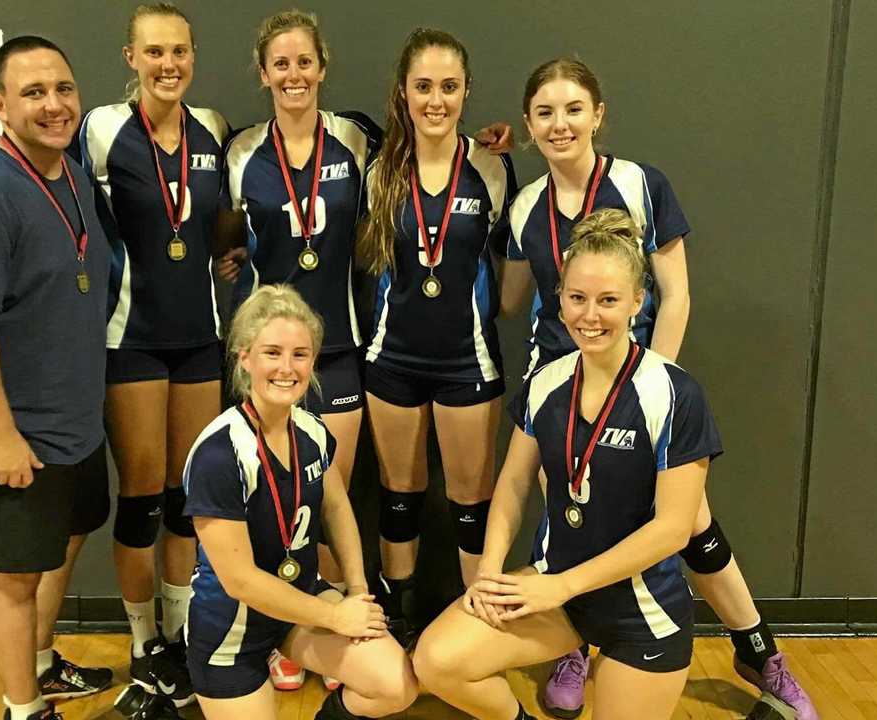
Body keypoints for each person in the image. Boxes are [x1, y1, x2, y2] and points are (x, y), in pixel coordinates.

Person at [499, 57, 817, 719]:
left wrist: (653, 387)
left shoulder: (640, 185)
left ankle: (759, 652)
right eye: (546, 112)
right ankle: (575, 647)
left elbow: (676, 296)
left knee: (691, 527)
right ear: (528, 126)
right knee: (567, 517)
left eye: (573, 108)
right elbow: (510, 302)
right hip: (558, 393)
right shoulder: (526, 205)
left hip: (635, 387)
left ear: (598, 114)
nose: (561, 124)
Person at [219, 11, 511, 686]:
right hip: (270, 352)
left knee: (331, 496)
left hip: (345, 347)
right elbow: (225, 238)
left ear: (324, 68)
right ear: (264, 73)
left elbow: (506, 268)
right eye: (281, 64)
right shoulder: (240, 151)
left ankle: (355, 627)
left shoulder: (364, 145)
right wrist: (230, 261)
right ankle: (288, 630)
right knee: (269, 499)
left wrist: (501, 134)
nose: (294, 75)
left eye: (305, 63)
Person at [414, 208, 719, 720]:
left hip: (638, 608)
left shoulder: (673, 392)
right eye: (577, 298)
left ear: (637, 302)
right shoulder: (548, 382)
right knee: (436, 660)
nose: (589, 315)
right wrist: (488, 572)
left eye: (608, 300)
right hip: (558, 592)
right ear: (559, 298)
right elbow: (512, 484)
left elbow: (672, 528)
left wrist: (560, 584)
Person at [0, 35, 113, 720]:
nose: (54, 104)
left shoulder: (71, 175)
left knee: (59, 548)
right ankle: (23, 708)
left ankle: (39, 663)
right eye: (34, 93)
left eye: (63, 89)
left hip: (72, 422)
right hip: (11, 435)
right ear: (0, 104)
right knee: (11, 577)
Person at [72, 3, 228, 708]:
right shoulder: (101, 129)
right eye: (154, 52)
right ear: (130, 58)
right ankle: (142, 645)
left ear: (194, 56)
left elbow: (223, 218)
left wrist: (233, 253)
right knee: (140, 498)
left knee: (185, 501)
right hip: (129, 339)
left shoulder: (214, 130)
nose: (169, 64)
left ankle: (178, 633)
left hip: (200, 337)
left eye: (180, 51)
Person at [181, 284, 419, 720]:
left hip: (300, 599)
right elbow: (241, 582)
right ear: (244, 358)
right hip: (233, 627)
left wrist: (358, 592)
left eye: (300, 354)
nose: (287, 368)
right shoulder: (219, 453)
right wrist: (335, 619)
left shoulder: (310, 430)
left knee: (395, 683)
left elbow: (336, 507)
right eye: (272, 353)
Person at [356, 28, 516, 648]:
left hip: (467, 363)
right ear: (403, 92)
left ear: (467, 91)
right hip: (390, 358)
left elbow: (509, 271)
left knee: (469, 504)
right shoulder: (377, 167)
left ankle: (476, 631)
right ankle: (399, 622)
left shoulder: (493, 166)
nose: (436, 100)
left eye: (449, 87)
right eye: (423, 86)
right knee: (399, 497)